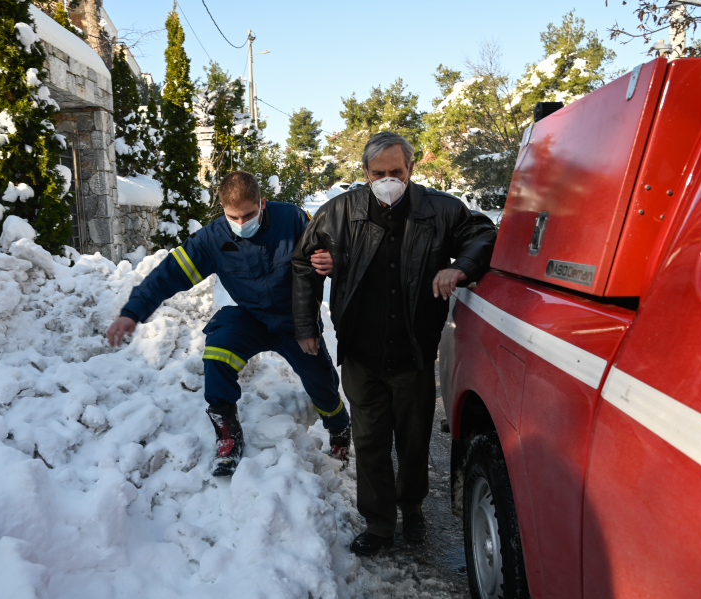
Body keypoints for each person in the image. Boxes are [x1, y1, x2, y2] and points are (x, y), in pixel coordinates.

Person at [292, 132, 497, 556]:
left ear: (411, 169)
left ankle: (413, 507)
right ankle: (380, 524)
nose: (389, 181)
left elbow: (484, 233)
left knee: (413, 439)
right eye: (379, 173)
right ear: (365, 173)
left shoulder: (439, 210)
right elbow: (304, 262)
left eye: (396, 172)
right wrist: (305, 324)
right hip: (362, 355)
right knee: (369, 442)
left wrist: (460, 267)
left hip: (413, 354)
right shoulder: (339, 213)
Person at [107, 171, 350, 477]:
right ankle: (227, 432)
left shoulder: (293, 219)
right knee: (217, 351)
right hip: (251, 316)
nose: (241, 222)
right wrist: (133, 311)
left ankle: (340, 427)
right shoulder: (213, 239)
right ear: (222, 210)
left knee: (322, 383)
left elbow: (336, 250)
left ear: (262, 203)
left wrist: (332, 264)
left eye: (249, 214)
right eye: (233, 216)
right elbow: (169, 273)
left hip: (295, 320)